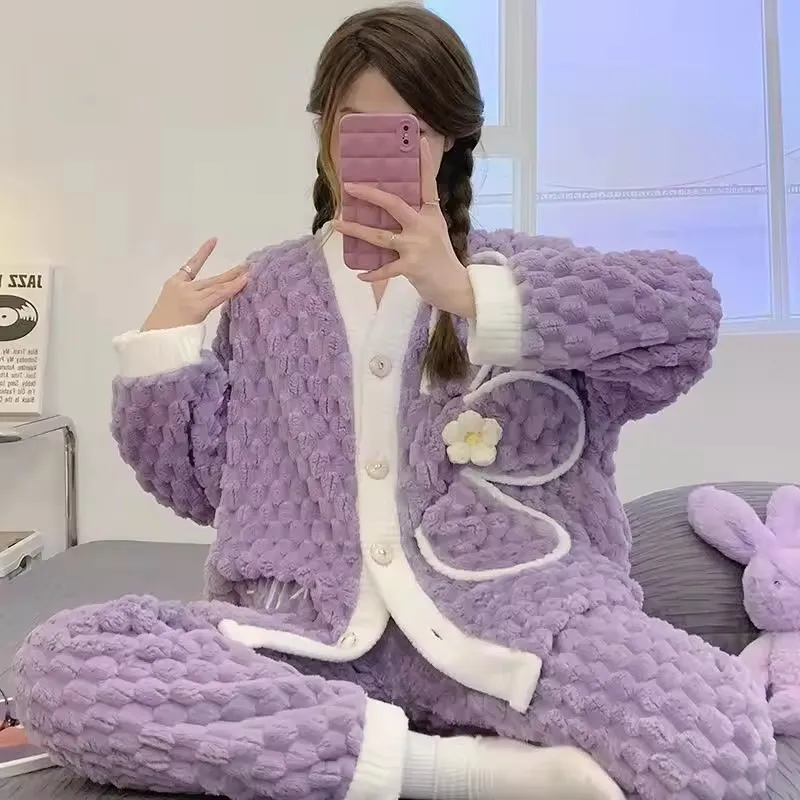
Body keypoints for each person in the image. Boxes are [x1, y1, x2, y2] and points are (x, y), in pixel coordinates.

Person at [13, 5, 774, 800]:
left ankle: (343, 748)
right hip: (304, 634)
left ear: (450, 137)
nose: (376, 148)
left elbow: (683, 319)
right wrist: (163, 347)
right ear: (322, 130)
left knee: (717, 738)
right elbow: (209, 488)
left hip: (516, 622)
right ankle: (458, 771)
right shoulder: (269, 292)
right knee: (59, 664)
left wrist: (471, 295)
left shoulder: (509, 271)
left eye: (409, 128)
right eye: (353, 124)